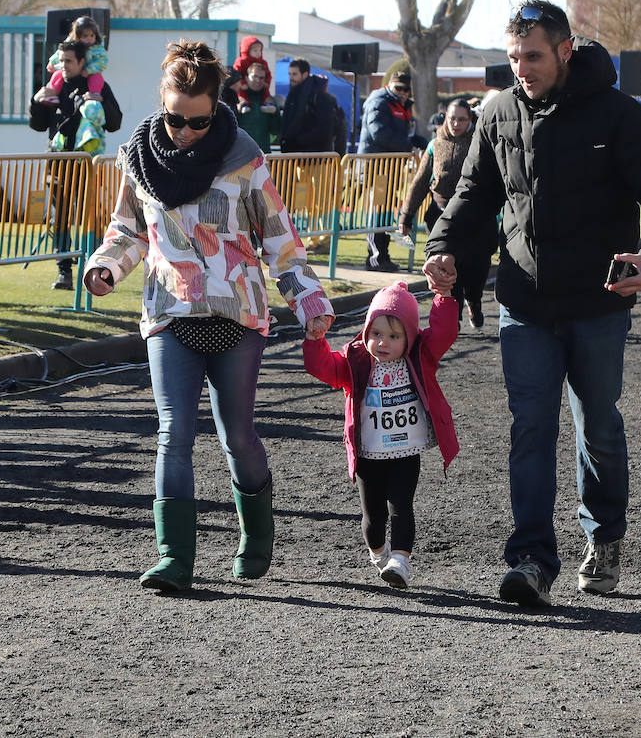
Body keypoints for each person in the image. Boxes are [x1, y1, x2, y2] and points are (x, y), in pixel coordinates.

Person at [424, 0, 641, 607]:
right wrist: (443, 247)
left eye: (535, 56)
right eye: (515, 57)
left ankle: (603, 538)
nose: (523, 67)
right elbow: (471, 195)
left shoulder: (620, 116)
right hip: (524, 301)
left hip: (600, 301)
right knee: (530, 426)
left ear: (566, 50)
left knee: (596, 423)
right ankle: (531, 559)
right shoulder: (496, 113)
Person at [83, 40, 335, 592]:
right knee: (173, 433)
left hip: (237, 315)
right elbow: (127, 232)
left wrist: (308, 301)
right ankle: (174, 557)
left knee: (237, 436)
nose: (184, 132)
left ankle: (256, 537)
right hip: (169, 313)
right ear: (162, 105)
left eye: (197, 122)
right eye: (174, 119)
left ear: (217, 107)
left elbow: (280, 242)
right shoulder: (136, 157)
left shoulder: (244, 157)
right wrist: (105, 268)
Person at [303, 280, 458, 589]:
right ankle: (380, 554)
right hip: (368, 454)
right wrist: (314, 338)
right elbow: (323, 367)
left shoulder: (419, 355)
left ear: (409, 337)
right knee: (373, 518)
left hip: (405, 451)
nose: (383, 343)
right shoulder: (356, 359)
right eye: (376, 334)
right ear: (365, 331)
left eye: (393, 336)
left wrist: (443, 296)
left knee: (402, 506)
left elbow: (443, 333)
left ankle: (400, 561)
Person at [30, 39, 123, 290]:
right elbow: (38, 125)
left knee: (89, 217)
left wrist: (97, 102)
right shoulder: (55, 86)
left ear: (82, 62)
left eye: (69, 60)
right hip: (59, 163)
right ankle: (63, 271)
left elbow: (115, 123)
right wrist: (36, 102)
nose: (63, 65)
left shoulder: (97, 86)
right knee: (60, 218)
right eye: (61, 60)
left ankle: (93, 271)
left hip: (87, 166)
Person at [398, 98, 491, 328]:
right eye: (452, 119)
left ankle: (474, 300)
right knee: (450, 266)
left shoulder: (481, 141)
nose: (456, 124)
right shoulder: (435, 144)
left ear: (470, 120)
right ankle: (454, 315)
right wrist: (406, 216)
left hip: (475, 215)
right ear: (445, 118)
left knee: (476, 267)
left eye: (462, 119)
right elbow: (420, 182)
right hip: (442, 215)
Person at [357, 71, 414, 272]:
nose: (403, 93)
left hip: (390, 166)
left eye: (406, 89)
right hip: (376, 165)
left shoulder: (403, 105)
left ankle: (382, 255)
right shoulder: (379, 100)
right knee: (377, 211)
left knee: (385, 211)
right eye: (398, 88)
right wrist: (408, 145)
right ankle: (375, 257)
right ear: (389, 85)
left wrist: (418, 142)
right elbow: (378, 132)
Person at [43, 16, 108, 103]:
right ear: (77, 36)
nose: (89, 39)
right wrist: (52, 62)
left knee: (96, 78)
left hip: (90, 70)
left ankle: (95, 94)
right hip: (74, 72)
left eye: (92, 36)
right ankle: (52, 92)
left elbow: (102, 62)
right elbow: (61, 52)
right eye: (85, 36)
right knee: (58, 75)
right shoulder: (72, 46)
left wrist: (89, 70)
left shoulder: (97, 49)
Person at [279, 57, 334, 154]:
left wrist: (299, 140)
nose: (291, 78)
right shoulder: (293, 94)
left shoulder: (319, 96)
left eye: (294, 74)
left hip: (315, 157)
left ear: (305, 75)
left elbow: (325, 128)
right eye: (289, 74)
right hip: (296, 155)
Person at [236, 61, 279, 154]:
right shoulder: (237, 100)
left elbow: (276, 130)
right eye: (254, 76)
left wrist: (274, 113)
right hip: (241, 154)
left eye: (261, 78)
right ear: (246, 78)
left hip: (263, 153)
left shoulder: (269, 102)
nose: (258, 80)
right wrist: (236, 110)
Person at [232, 35, 273, 112]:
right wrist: (242, 83)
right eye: (255, 51)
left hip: (261, 87)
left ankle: (267, 104)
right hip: (244, 86)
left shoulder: (263, 62)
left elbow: (268, 75)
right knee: (241, 93)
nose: (258, 53)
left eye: (260, 50)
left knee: (266, 92)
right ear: (247, 50)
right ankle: (243, 104)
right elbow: (236, 74)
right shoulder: (241, 61)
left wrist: (266, 83)